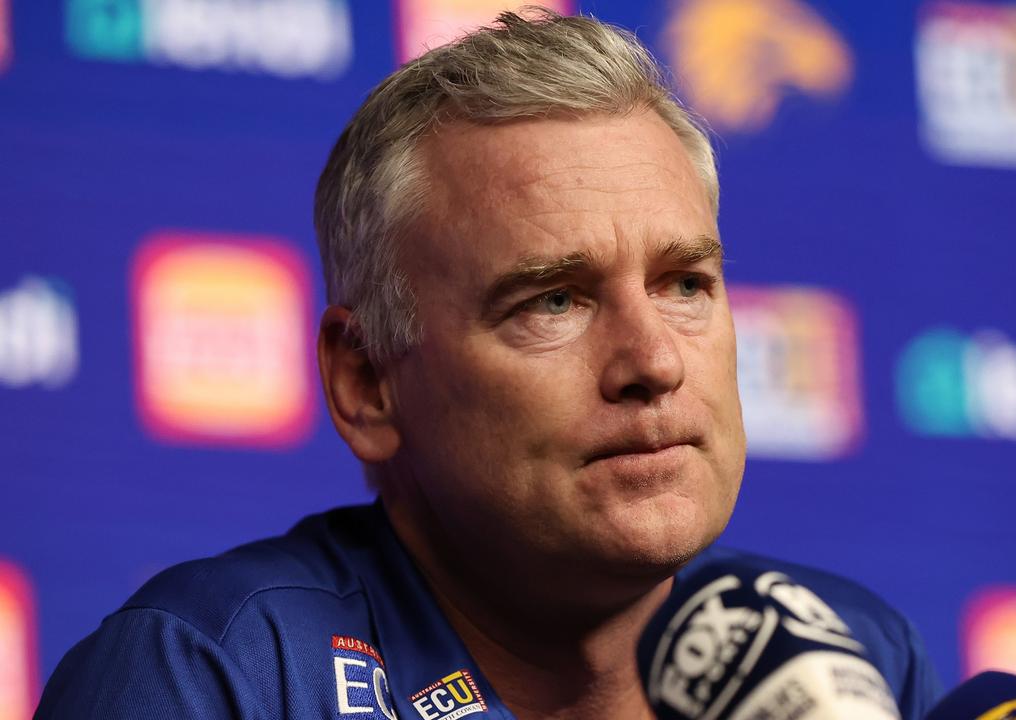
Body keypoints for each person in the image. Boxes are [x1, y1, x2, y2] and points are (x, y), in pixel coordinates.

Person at [36, 9, 941, 719]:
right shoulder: (214, 675)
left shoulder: (851, 656)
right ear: (367, 382)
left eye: (684, 284)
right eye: (554, 300)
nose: (653, 361)